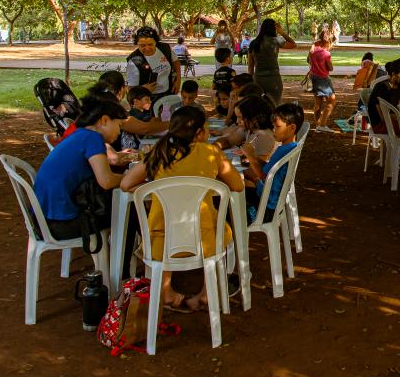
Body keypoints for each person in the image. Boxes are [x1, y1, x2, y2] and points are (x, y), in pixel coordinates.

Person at [120, 105, 245, 312]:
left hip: (160, 243)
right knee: (219, 225)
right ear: (199, 133)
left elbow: (125, 185)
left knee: (167, 224)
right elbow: (238, 186)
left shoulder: (159, 152)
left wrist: (154, 189)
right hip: (206, 242)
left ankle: (166, 291)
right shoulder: (211, 153)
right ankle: (206, 292)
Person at [33, 97, 128, 244]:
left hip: (44, 219)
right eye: (119, 125)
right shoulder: (93, 138)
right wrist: (129, 177)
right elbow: (106, 181)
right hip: (60, 223)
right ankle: (124, 265)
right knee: (128, 213)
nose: (119, 131)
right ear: (104, 120)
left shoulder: (80, 134)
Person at [241, 103, 304, 223]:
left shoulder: (284, 151)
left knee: (230, 207)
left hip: (265, 209)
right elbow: (270, 170)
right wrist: (254, 156)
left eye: (278, 127)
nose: (274, 130)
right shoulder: (289, 148)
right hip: (267, 201)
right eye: (273, 126)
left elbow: (263, 176)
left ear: (292, 128)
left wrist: (251, 156)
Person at [247, 19, 297, 106]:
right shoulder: (276, 41)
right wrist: (281, 32)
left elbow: (250, 66)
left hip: (258, 79)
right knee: (273, 106)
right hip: (274, 79)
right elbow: (293, 44)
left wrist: (251, 81)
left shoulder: (254, 43)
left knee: (259, 107)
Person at [125, 26, 180, 103]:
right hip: (147, 100)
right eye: (142, 45)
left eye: (150, 44)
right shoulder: (134, 61)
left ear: (156, 42)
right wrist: (142, 89)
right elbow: (130, 89)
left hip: (168, 93)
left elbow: (176, 61)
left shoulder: (165, 48)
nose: (147, 48)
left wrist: (178, 79)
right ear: (137, 43)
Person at [215, 95, 277, 162]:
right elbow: (228, 141)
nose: (237, 121)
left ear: (254, 119)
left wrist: (246, 156)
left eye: (240, 117)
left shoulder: (264, 136)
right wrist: (213, 148)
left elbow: (260, 165)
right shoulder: (248, 128)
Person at [367, 59, 400, 133]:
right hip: (381, 124)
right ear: (393, 74)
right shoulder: (382, 87)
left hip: (394, 121)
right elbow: (383, 116)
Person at [308, 28, 336, 132]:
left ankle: (317, 125)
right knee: (332, 100)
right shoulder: (326, 54)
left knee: (318, 102)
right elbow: (330, 68)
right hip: (323, 78)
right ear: (328, 41)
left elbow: (308, 60)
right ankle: (323, 125)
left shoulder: (313, 48)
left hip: (314, 76)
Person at [120, 86, 154, 150]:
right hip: (133, 147)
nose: (150, 101)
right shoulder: (135, 113)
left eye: (150, 99)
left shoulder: (134, 112)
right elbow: (152, 122)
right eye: (147, 99)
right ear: (136, 101)